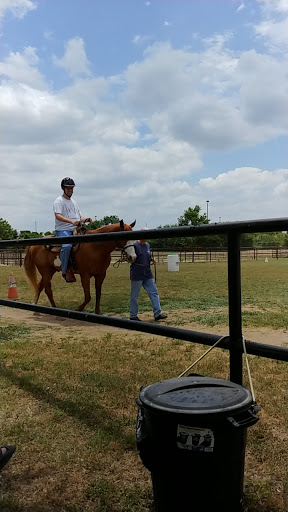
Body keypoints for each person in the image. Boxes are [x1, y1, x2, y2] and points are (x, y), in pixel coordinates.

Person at [53, 177, 92, 283]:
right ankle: (64, 272)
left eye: (72, 188)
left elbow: (80, 217)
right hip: (63, 229)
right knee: (67, 246)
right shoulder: (59, 201)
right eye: (68, 188)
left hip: (76, 229)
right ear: (63, 188)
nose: (70, 190)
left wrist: (86, 219)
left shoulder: (74, 202)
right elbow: (58, 216)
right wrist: (71, 222)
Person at [130, 227, 167, 321]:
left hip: (147, 273)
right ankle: (133, 315)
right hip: (137, 273)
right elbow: (130, 257)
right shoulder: (135, 245)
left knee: (154, 292)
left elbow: (148, 256)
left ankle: (157, 314)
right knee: (134, 296)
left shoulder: (147, 245)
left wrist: (152, 259)